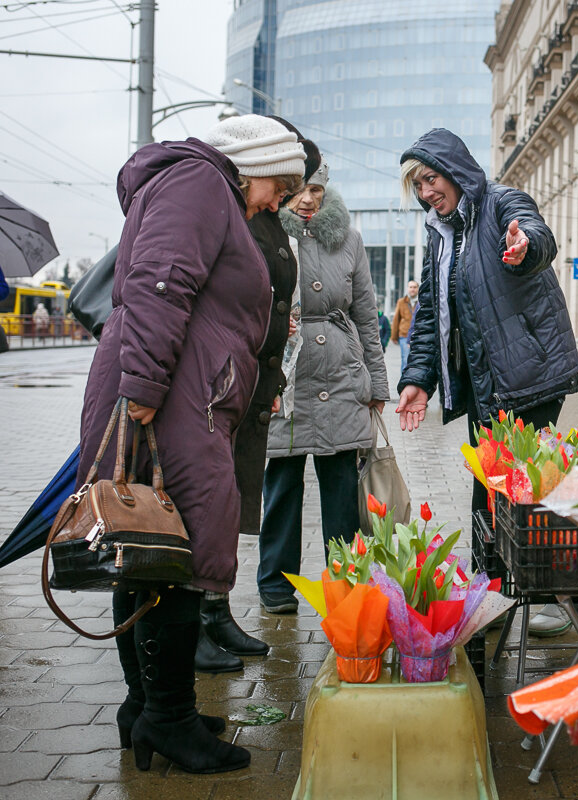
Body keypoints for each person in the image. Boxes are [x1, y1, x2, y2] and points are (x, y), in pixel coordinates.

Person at [78, 114, 306, 774]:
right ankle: (168, 720)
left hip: (184, 390)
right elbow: (159, 280)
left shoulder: (198, 184)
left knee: (148, 543)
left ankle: (146, 709)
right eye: (278, 185)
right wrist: (146, 383)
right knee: (172, 550)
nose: (276, 202)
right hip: (173, 395)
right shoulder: (202, 183)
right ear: (254, 162)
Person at [394, 128, 578, 636]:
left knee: (531, 490)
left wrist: (526, 244)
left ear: (453, 170)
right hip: (485, 389)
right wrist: (418, 380)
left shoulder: (501, 203)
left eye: (431, 178)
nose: (427, 191)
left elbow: (537, 236)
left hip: (533, 375)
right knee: (488, 491)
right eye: (418, 185)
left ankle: (556, 597)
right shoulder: (441, 235)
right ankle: (490, 591)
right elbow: (430, 317)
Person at [196, 121, 322, 675]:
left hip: (250, 380)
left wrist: (270, 385)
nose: (295, 194)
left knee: (230, 501)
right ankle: (194, 618)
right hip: (219, 379)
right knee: (204, 503)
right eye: (290, 181)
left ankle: (215, 607)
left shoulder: (268, 220)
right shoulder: (233, 211)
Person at [257, 160, 390, 614]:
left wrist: (376, 382)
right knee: (280, 486)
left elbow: (367, 318)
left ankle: (347, 581)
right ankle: (275, 582)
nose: (309, 199)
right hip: (286, 374)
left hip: (341, 374)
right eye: (300, 189)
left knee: (340, 490)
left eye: (317, 189)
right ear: (284, 189)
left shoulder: (348, 239)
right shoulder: (266, 233)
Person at [391, 279, 418, 371]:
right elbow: (396, 319)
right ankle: (404, 382)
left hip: (418, 336)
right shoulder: (401, 302)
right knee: (405, 361)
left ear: (418, 289)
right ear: (407, 289)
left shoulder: (421, 302)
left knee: (416, 362)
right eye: (411, 287)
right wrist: (394, 337)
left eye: (415, 287)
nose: (412, 289)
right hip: (404, 335)